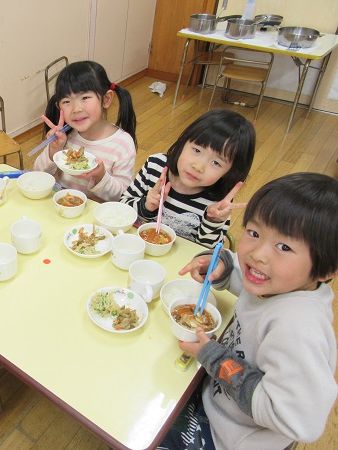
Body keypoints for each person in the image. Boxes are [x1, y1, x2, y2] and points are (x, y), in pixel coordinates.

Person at [160, 173, 338, 450]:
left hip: (229, 436)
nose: (258, 254)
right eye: (254, 233)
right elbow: (239, 272)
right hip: (216, 396)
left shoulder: (298, 327)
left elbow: (300, 420)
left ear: (326, 270)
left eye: (284, 247)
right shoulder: (279, 282)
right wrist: (219, 266)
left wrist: (214, 358)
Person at [120, 109, 255, 248]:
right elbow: (120, 207)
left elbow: (208, 252)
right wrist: (146, 206)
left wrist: (212, 221)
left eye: (216, 163)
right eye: (197, 150)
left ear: (228, 172)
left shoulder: (219, 201)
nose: (198, 167)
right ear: (183, 142)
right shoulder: (155, 166)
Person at [33, 60, 137, 202]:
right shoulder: (65, 135)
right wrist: (54, 150)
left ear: (106, 99)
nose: (76, 109)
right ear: (59, 106)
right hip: (61, 204)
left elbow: (123, 197)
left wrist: (101, 177)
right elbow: (37, 174)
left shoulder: (122, 143)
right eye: (66, 101)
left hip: (96, 212)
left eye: (85, 98)